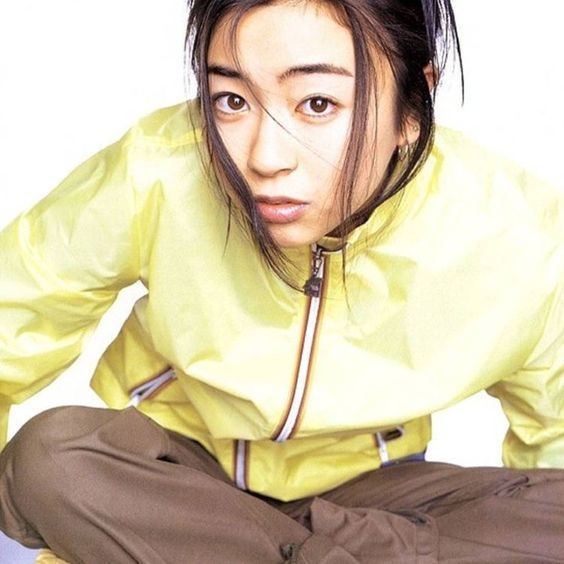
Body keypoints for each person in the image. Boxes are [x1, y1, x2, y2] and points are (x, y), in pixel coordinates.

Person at [1, 0, 564, 562]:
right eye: (232, 100)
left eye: (318, 103)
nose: (266, 158)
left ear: (412, 106)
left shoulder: (516, 230)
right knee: (50, 457)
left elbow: (555, 438)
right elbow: (13, 312)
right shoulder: (160, 169)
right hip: (178, 480)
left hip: (376, 493)